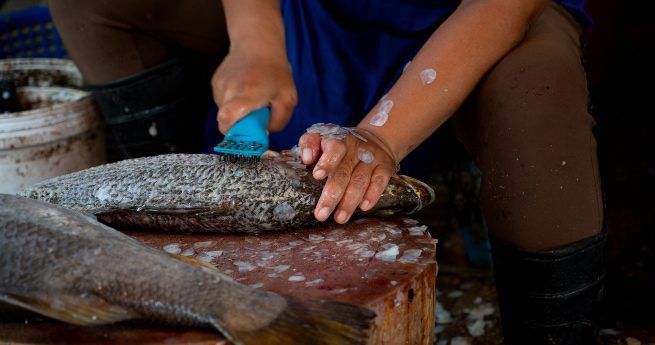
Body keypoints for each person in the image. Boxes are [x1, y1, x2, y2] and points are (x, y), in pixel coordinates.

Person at [49, 0, 605, 343]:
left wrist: (382, 135)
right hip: (314, 13)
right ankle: (170, 249)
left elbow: (504, 6)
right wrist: (256, 42)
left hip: (482, 22)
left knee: (537, 97)